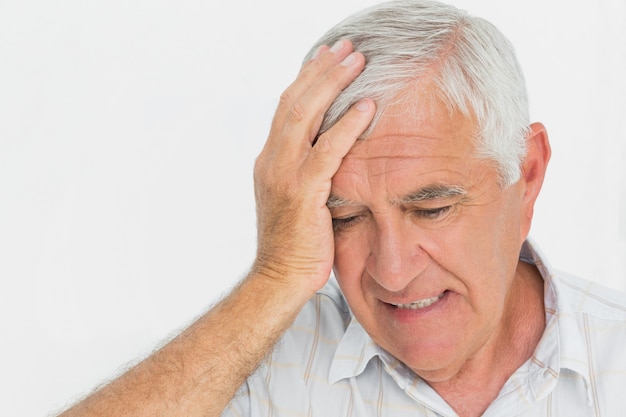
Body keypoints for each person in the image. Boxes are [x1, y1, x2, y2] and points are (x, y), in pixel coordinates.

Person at [59, 1, 626, 416]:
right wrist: (275, 277)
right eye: (346, 217)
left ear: (527, 175)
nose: (392, 271)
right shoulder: (258, 369)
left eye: (431, 208)